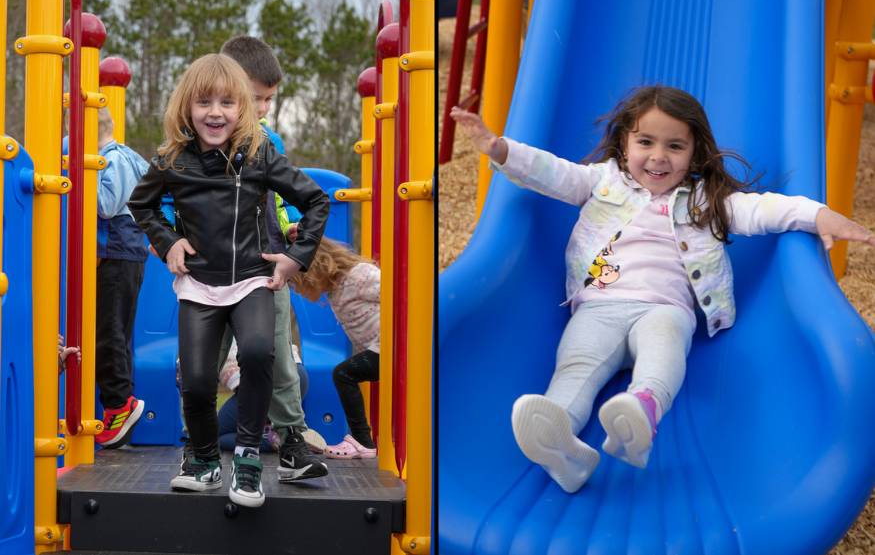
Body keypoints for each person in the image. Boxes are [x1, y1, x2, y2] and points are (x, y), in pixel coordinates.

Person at [449, 85, 874, 493]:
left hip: (665, 308)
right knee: (576, 365)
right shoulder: (601, 182)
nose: (658, 156)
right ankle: (560, 439)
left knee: (663, 350)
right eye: (646, 142)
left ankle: (642, 410)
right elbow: (551, 173)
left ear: (693, 154)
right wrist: (500, 149)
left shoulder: (706, 200)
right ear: (624, 145)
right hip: (599, 306)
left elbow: (762, 208)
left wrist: (819, 216)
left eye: (675, 146)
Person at [128, 54, 330, 508]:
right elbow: (141, 206)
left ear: (242, 109)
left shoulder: (259, 154)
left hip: (253, 280)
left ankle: (248, 460)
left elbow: (316, 200)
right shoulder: (171, 160)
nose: (215, 112)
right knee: (197, 381)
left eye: (226, 102)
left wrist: (295, 258)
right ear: (186, 107)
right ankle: (202, 460)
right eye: (204, 102)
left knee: (260, 353)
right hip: (200, 285)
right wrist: (169, 242)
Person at [217, 33, 329, 471]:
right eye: (257, 98)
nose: (263, 108)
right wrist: (168, 237)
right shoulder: (199, 137)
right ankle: (200, 446)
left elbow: (278, 199)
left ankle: (291, 443)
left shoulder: (270, 142)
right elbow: (170, 192)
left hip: (266, 267)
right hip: (213, 271)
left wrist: (288, 230)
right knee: (203, 361)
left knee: (280, 357)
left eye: (269, 100)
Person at [288, 237, 380, 460]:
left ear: (311, 271)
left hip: (394, 350)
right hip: (381, 351)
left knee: (343, 373)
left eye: (294, 282)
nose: (295, 290)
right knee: (346, 373)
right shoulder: (334, 292)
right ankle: (362, 440)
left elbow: (398, 293)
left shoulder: (359, 275)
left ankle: (361, 440)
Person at [93, 106, 150, 449]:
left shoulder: (111, 159)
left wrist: (78, 180)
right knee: (114, 330)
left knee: (110, 332)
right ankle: (117, 402)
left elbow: (106, 204)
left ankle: (119, 404)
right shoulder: (128, 157)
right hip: (123, 252)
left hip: (116, 252)